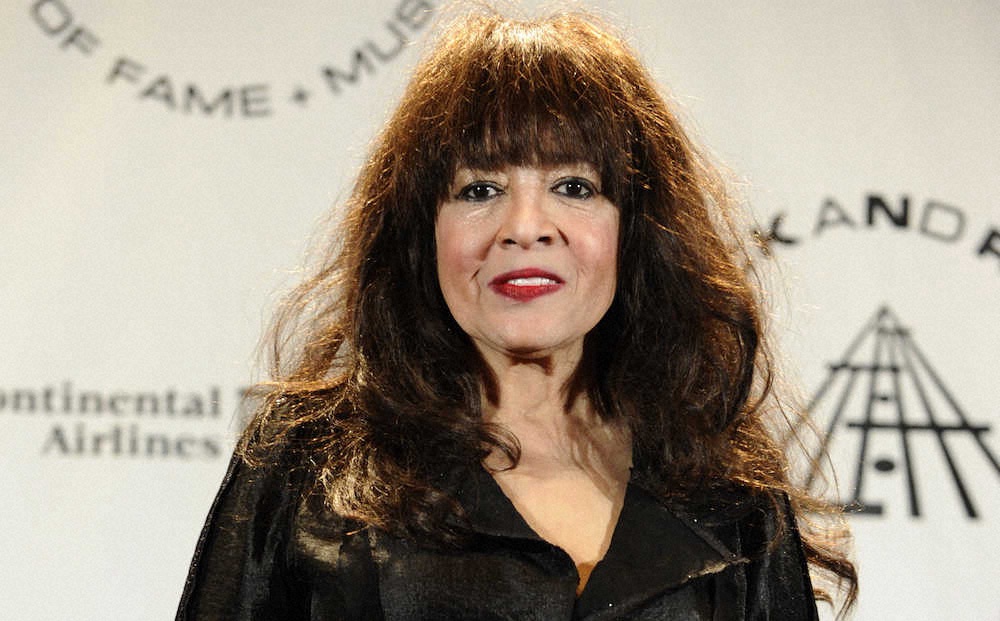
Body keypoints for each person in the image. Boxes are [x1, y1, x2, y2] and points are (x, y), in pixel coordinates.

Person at [177, 7, 856, 620]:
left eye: (573, 186)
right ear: (420, 234)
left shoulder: (726, 490)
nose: (525, 226)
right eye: (480, 189)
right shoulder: (307, 466)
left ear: (637, 231)